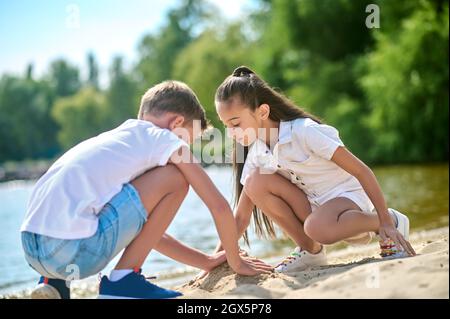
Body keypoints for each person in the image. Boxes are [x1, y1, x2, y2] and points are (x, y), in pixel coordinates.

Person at [20, 80, 272, 299]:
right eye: (187, 141)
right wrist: (235, 261)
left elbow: (140, 230)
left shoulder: (119, 141)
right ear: (177, 123)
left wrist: (205, 261)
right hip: (74, 252)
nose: (184, 150)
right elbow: (217, 204)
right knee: (177, 178)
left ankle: (54, 284)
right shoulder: (164, 139)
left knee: (82, 211)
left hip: (34, 251)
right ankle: (123, 281)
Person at [212, 66, 416, 274]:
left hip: (347, 198)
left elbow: (362, 171)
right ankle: (310, 250)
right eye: (226, 126)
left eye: (235, 124)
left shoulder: (304, 131)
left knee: (315, 227)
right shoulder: (258, 153)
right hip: (316, 209)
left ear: (263, 111)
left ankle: (390, 220)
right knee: (255, 181)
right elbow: (241, 217)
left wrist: (384, 220)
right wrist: (215, 259)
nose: (230, 134)